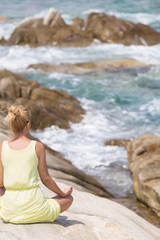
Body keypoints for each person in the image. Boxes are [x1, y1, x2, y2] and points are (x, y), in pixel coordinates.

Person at [0, 105, 73, 224]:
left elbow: (1, 183)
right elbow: (46, 179)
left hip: (9, 212)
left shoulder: (2, 147)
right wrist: (63, 193)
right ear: (27, 125)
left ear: (11, 125)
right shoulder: (37, 147)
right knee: (69, 199)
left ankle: (15, 209)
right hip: (36, 209)